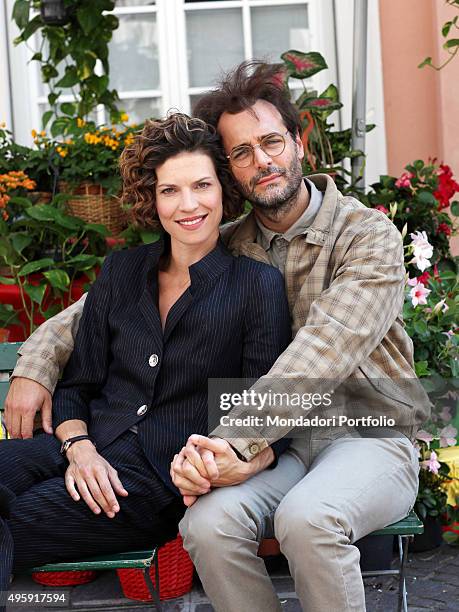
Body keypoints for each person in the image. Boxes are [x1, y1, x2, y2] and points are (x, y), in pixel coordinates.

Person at [5, 63, 429, 611]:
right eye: (242, 153)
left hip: (364, 433)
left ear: (300, 143)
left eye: (272, 141)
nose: (263, 161)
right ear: (230, 170)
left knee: (309, 520)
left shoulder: (366, 236)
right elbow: (85, 316)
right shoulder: (227, 242)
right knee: (207, 524)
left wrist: (230, 444)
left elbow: (322, 352)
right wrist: (33, 365)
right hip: (282, 447)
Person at [0, 112, 297, 595]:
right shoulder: (122, 271)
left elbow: (263, 407)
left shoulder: (256, 286)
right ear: (151, 200)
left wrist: (231, 459)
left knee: (17, 526)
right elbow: (77, 385)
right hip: (78, 449)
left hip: (152, 483)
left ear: (223, 189)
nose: (188, 205)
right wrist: (80, 449)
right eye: (169, 191)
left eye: (201, 185)